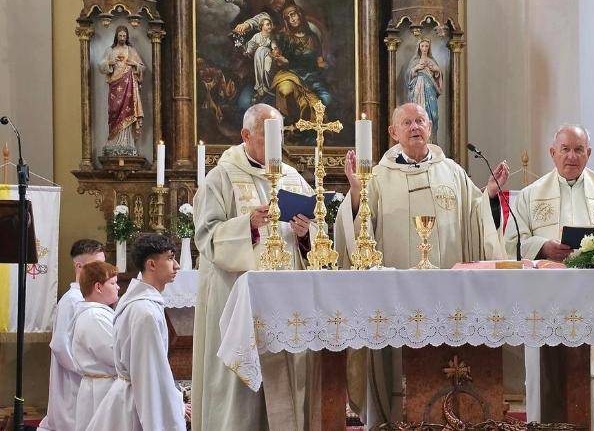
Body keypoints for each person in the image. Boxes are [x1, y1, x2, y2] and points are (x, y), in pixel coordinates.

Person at [334, 102, 508, 427]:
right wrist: (356, 193)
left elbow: (476, 217)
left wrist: (489, 196)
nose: (415, 127)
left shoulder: (452, 172)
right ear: (393, 131)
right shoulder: (377, 177)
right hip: (394, 298)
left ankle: (452, 416)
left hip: (448, 295)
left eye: (420, 121)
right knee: (392, 366)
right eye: (407, 122)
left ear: (430, 127)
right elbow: (358, 232)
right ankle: (391, 420)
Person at [191, 103, 318, 431]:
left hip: (287, 301)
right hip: (237, 301)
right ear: (246, 135)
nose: (276, 145)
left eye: (280, 135)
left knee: (286, 384)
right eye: (267, 136)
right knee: (241, 397)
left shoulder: (292, 178)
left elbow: (318, 239)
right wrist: (247, 224)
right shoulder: (221, 177)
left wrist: (306, 235)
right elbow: (206, 237)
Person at [504, 125, 594, 431]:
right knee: (549, 378)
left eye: (579, 149)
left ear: (588, 153)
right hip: (546, 303)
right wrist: (544, 246)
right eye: (565, 149)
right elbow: (511, 245)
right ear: (553, 153)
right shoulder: (529, 196)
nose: (572, 156)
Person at [86, 235, 188, 430]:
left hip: (128, 396)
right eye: (169, 258)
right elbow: (149, 376)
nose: (177, 265)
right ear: (151, 264)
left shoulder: (138, 302)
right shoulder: (145, 313)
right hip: (136, 406)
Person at [37, 239, 105, 431]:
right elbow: (60, 345)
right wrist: (85, 370)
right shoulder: (72, 301)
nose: (103, 270)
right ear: (79, 266)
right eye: (97, 264)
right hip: (74, 380)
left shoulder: (86, 298)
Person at [70, 261, 120, 431]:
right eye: (113, 283)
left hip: (102, 386)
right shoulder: (94, 316)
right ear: (98, 287)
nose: (118, 287)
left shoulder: (98, 312)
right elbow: (116, 356)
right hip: (101, 391)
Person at [98, 25, 145, 157]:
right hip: (115, 86)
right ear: (116, 36)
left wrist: (134, 64)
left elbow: (142, 67)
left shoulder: (131, 50)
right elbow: (101, 66)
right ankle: (113, 141)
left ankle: (126, 142)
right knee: (114, 110)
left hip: (128, 85)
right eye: (120, 36)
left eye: (124, 36)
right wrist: (111, 63)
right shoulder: (110, 50)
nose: (122, 38)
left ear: (127, 37)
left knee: (127, 110)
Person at [407, 38, 441, 138]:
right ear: (419, 47)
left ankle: (431, 139)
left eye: (426, 46)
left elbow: (438, 75)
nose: (424, 48)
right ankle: (418, 137)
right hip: (418, 89)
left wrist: (435, 70)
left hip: (430, 89)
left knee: (433, 116)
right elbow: (408, 75)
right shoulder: (415, 61)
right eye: (422, 46)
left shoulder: (432, 61)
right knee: (418, 114)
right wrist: (417, 68)